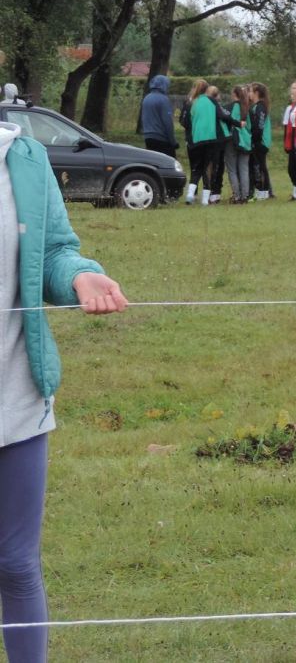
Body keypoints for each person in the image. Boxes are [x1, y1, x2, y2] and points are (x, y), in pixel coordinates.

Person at [1, 119, 127, 663]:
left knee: (16, 564)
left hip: (15, 398)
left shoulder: (23, 158)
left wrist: (77, 275)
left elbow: (52, 251)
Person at [180, 79, 211, 204]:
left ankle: (192, 194)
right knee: (206, 168)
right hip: (207, 139)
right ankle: (205, 198)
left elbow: (183, 121)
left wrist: (191, 129)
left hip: (192, 139)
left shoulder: (189, 102)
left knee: (194, 167)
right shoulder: (209, 102)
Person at [224, 85, 252, 203]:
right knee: (244, 169)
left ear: (234, 94)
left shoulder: (228, 107)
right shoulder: (247, 108)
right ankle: (245, 196)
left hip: (232, 140)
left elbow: (225, 122)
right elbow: (249, 127)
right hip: (245, 142)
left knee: (232, 170)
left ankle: (236, 196)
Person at [140, 75, 177, 158]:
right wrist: (173, 141)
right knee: (170, 162)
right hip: (161, 138)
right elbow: (167, 122)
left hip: (148, 137)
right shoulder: (163, 99)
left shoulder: (146, 98)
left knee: (153, 161)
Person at [248, 83, 273, 201]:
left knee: (260, 166)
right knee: (258, 166)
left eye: (250, 91)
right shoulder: (256, 106)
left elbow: (259, 125)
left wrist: (255, 139)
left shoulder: (260, 107)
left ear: (256, 93)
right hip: (257, 141)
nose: (248, 93)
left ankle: (263, 192)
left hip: (261, 142)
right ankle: (262, 191)